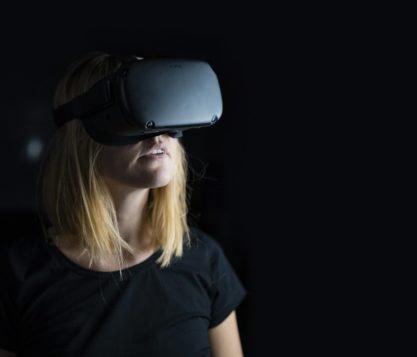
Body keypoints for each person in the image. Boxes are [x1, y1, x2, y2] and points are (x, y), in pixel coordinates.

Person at [0, 51, 247, 356]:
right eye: (134, 113)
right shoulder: (17, 275)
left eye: (163, 108)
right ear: (81, 135)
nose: (157, 134)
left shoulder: (206, 262)